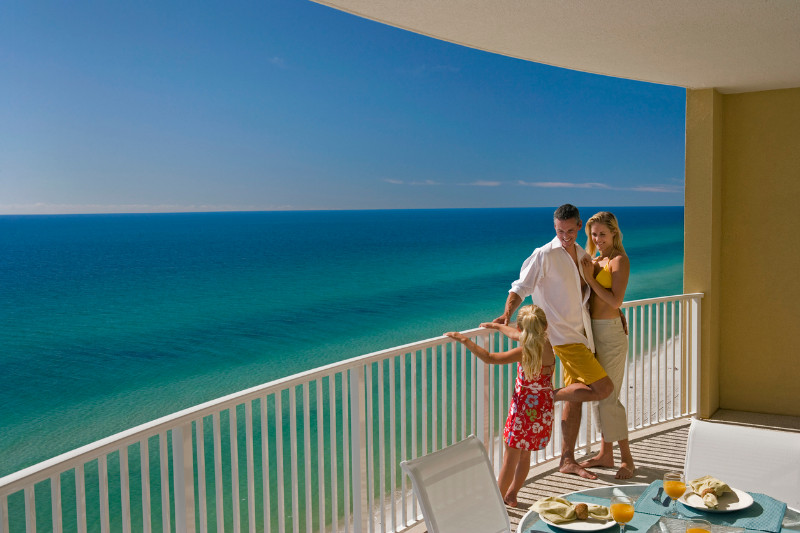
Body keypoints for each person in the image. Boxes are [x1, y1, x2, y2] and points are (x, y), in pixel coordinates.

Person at [494, 204, 614, 480]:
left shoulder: (583, 254)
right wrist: (507, 314)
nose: (566, 236)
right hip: (560, 337)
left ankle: (567, 459)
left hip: (581, 334)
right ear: (554, 227)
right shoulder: (543, 254)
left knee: (575, 398)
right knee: (603, 388)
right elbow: (520, 287)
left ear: (579, 225)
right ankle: (546, 396)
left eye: (571, 231)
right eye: (560, 231)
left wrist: (615, 313)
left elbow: (588, 294)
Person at [445, 305, 554, 507]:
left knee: (509, 458)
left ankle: (494, 505)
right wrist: (497, 328)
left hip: (523, 412)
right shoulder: (546, 343)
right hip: (542, 411)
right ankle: (511, 495)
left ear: (522, 329)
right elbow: (516, 335)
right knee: (524, 455)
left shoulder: (526, 351)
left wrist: (464, 339)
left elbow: (490, 358)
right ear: (545, 325)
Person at [578, 211, 635, 479]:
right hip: (592, 332)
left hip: (610, 335)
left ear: (614, 233)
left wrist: (589, 279)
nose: (597, 238)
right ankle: (605, 453)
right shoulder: (595, 260)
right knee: (598, 393)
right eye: (593, 234)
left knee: (609, 396)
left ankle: (627, 459)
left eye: (602, 233)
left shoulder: (618, 261)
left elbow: (615, 302)